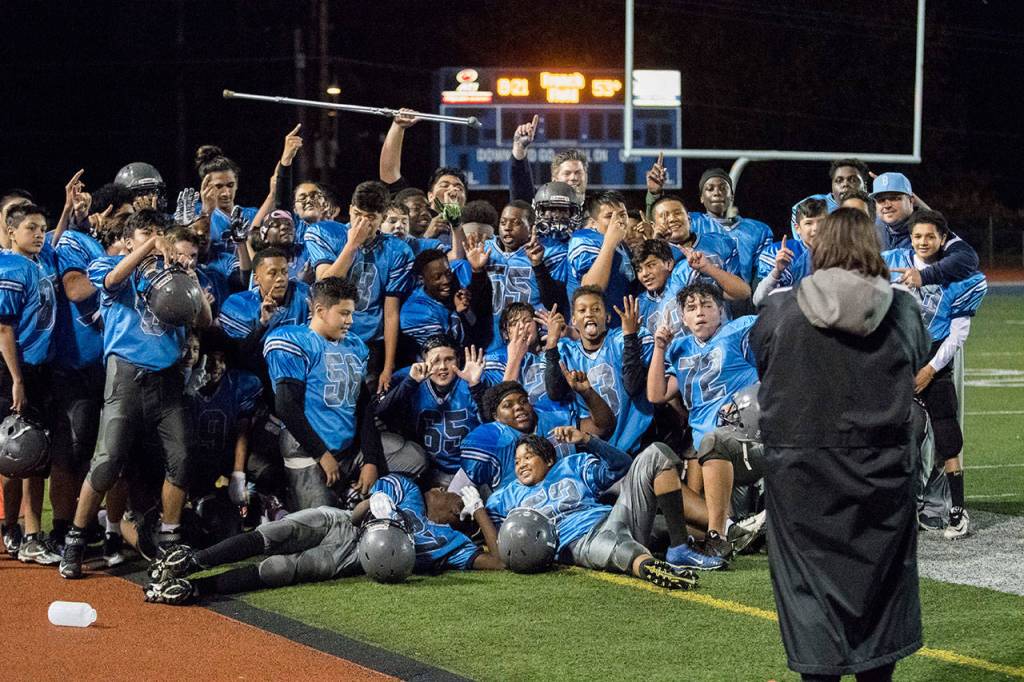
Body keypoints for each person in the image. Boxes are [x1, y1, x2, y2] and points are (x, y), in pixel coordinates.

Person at [750, 207, 930, 680]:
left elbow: (762, 361)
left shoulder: (780, 308)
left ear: (818, 246)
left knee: (809, 597)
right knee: (880, 596)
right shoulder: (903, 308)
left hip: (801, 477)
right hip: (883, 474)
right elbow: (919, 356)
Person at [60, 209, 213, 579]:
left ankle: (170, 536)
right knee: (108, 460)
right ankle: (75, 540)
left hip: (167, 379)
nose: (156, 238)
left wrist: (190, 280)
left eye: (160, 231)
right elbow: (112, 279)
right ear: (129, 240)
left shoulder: (174, 272)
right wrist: (147, 249)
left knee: (181, 456)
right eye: (146, 232)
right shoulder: (107, 263)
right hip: (125, 377)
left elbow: (205, 321)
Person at [486, 428, 725, 587]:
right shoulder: (506, 496)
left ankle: (681, 549)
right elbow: (494, 535)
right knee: (610, 546)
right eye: (517, 461)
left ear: (549, 460)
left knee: (656, 454)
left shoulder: (572, 465)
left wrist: (588, 440)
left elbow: (621, 466)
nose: (521, 465)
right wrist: (474, 510)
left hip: (614, 518)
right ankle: (648, 567)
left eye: (528, 457)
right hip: (576, 542)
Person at [882, 209, 988, 539]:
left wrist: (929, 370)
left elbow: (958, 333)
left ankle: (957, 510)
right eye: (917, 236)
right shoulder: (889, 261)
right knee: (892, 433)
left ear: (943, 238)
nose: (923, 241)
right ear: (909, 238)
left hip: (935, 360)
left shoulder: (961, 275)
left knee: (947, 436)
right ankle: (895, 509)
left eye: (930, 236)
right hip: (898, 362)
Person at [263, 278, 394, 511]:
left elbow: (363, 406)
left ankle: (349, 492)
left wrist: (371, 460)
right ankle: (275, 507)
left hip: (347, 450)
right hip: (307, 451)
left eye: (351, 313)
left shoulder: (355, 346)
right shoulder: (294, 341)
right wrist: (322, 455)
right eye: (344, 313)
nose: (350, 321)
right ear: (321, 311)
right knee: (321, 527)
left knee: (411, 461)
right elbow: (286, 407)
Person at [0, 205, 60, 565]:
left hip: (38, 370)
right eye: (31, 228)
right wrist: (18, 379)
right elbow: (3, 328)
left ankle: (26, 532)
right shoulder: (9, 267)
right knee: (18, 451)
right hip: (16, 370)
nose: (39, 234)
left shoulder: (39, 263)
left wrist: (66, 209)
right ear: (10, 233)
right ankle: (23, 531)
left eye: (42, 227)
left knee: (32, 453)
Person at [459, 375, 613, 494]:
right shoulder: (491, 438)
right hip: (527, 511)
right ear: (496, 416)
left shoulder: (553, 419)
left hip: (574, 494)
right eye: (508, 405)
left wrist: (587, 393)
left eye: (523, 401)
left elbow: (602, 427)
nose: (519, 407)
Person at [375, 335, 485, 486]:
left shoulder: (470, 381)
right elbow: (382, 413)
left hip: (468, 471)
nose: (442, 367)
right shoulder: (410, 378)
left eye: (449, 359)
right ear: (423, 361)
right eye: (435, 360)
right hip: (427, 470)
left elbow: (492, 424)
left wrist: (476, 387)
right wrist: (410, 382)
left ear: (458, 360)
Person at [870, 172, 978, 289]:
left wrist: (924, 276)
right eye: (881, 200)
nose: (887, 205)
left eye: (894, 198)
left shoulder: (927, 227)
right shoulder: (875, 227)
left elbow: (968, 258)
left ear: (911, 200)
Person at [567, 192, 636, 324]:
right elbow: (591, 290)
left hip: (619, 329)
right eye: (609, 216)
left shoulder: (623, 246)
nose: (619, 221)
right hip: (594, 331)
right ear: (593, 223)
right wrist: (609, 242)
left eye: (622, 214)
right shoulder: (584, 238)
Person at [753, 198, 825, 306]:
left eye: (821, 222)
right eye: (809, 223)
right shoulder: (780, 253)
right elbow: (759, 300)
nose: (816, 228)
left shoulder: (840, 252)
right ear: (798, 228)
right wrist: (777, 271)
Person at [788, 158, 870, 234]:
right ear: (832, 185)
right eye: (839, 180)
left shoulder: (877, 204)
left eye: (852, 180)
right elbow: (803, 244)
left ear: (865, 186)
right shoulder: (812, 204)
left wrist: (882, 191)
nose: (845, 184)